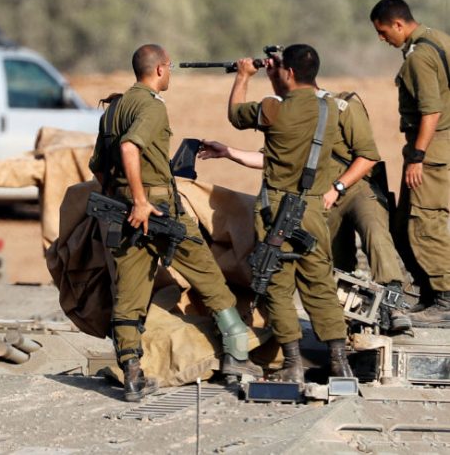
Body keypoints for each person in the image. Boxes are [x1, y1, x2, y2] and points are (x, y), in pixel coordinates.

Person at [89, 44, 262, 402]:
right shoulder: (151, 105)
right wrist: (141, 200)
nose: (170, 73)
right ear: (160, 69)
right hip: (158, 210)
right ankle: (236, 354)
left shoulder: (114, 108)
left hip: (123, 213)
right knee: (208, 276)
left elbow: (99, 166)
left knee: (128, 295)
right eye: (168, 68)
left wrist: (123, 198)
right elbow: (130, 148)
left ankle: (132, 375)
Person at [202, 91, 412, 332]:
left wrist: (338, 187)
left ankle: (394, 302)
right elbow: (271, 158)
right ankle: (350, 312)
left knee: (374, 231)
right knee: (334, 259)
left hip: (355, 188)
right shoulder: (291, 114)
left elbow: (367, 157)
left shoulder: (341, 107)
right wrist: (228, 152)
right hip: (321, 196)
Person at [227, 44, 353, 383]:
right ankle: (339, 361)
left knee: (277, 285)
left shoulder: (273, 108)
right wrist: (279, 74)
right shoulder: (330, 109)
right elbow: (298, 99)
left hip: (276, 210)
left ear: (289, 73)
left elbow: (236, 114)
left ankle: (293, 363)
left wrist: (244, 76)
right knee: (320, 284)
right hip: (312, 208)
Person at [370, 0, 450, 326]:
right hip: (435, 147)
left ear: (399, 24)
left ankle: (445, 300)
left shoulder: (419, 57)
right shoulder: (438, 38)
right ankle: (430, 293)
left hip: (431, 151)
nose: (382, 38)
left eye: (383, 31)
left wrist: (417, 156)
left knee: (424, 224)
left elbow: (431, 111)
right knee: (403, 224)